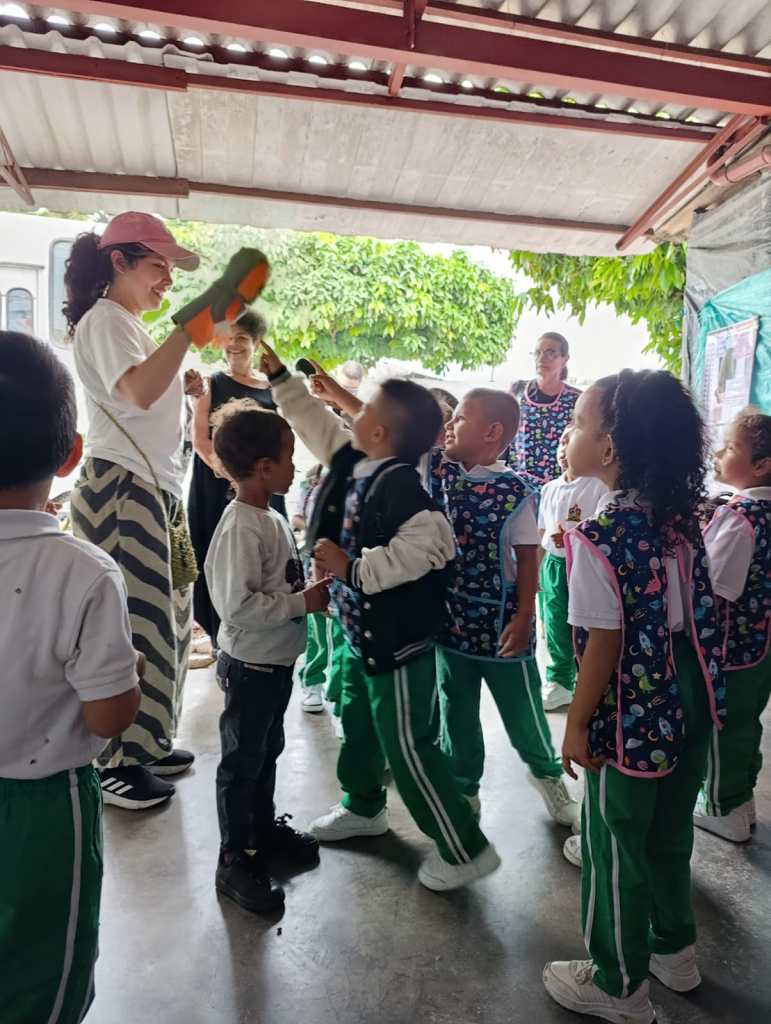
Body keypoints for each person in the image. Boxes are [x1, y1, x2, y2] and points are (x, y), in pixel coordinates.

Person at [261, 341, 500, 892]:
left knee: (410, 747)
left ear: (381, 433)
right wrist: (278, 377)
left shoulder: (402, 487)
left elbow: (432, 545)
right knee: (359, 723)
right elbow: (316, 423)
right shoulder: (358, 465)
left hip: (398, 645)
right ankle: (363, 805)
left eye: (364, 409)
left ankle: (464, 848)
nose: (352, 413)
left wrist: (352, 568)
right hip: (359, 635)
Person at [543, 370, 725, 1024]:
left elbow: (604, 641)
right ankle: (673, 950)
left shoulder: (598, 538)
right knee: (670, 831)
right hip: (691, 691)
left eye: (578, 424)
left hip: (630, 705)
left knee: (613, 844)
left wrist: (576, 723)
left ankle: (617, 985)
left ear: (609, 448)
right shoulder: (680, 522)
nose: (569, 435)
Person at [0, 332, 141, 1023]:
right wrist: (129, 675)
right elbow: (107, 717)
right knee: (41, 975)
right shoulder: (84, 571)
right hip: (44, 813)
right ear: (71, 454)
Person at [64, 212, 207, 809]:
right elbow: (136, 392)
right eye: (158, 266)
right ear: (118, 262)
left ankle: (147, 741)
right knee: (136, 623)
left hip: (150, 488)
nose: (167, 280)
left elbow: (147, 392)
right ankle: (119, 759)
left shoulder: (126, 325)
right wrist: (187, 333)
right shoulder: (104, 320)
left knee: (166, 621)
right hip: (123, 489)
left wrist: (182, 383)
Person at [431, 389, 581, 829]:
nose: (449, 426)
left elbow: (528, 560)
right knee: (456, 710)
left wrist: (523, 617)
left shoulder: (515, 491)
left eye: (460, 418)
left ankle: (548, 776)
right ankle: (464, 786)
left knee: (523, 711)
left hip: (503, 625)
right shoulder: (442, 473)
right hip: (452, 623)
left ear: (492, 432)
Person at [205, 400, 329, 913]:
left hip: (275, 664)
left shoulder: (270, 516)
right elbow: (237, 607)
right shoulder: (241, 526)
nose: (295, 466)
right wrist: (302, 602)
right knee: (241, 763)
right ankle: (234, 857)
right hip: (250, 667)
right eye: (288, 457)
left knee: (265, 751)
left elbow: (277, 582)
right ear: (263, 467)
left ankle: (261, 833)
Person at [695, 408, 771, 843]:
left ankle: (724, 809)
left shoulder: (739, 517)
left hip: (731, 648)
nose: (718, 453)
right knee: (746, 723)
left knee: (722, 726)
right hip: (761, 646)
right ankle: (742, 800)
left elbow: (714, 588)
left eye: (729, 447)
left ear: (761, 465)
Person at [188, 312, 285, 649]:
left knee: (266, 560)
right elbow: (200, 439)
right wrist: (234, 476)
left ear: (256, 343)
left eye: (241, 338)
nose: (233, 345)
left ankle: (264, 636)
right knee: (222, 562)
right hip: (217, 485)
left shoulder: (273, 388)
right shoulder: (211, 383)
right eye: (228, 339)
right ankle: (222, 640)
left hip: (263, 485)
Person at [537, 428, 608, 711]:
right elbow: (541, 530)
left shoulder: (598, 486)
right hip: (554, 565)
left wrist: (574, 537)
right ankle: (560, 681)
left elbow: (604, 529)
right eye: (561, 441)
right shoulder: (549, 488)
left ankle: (588, 681)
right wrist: (538, 571)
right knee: (555, 623)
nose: (563, 447)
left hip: (585, 566)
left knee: (585, 624)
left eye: (571, 441)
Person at [510, 332, 580, 485]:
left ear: (565, 359)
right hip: (517, 483)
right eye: (538, 353)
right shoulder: (518, 391)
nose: (542, 358)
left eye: (550, 353)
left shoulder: (577, 400)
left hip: (558, 485)